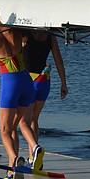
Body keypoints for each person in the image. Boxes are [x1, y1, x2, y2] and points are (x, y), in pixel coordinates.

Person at [0, 4, 43, 174]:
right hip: (26, 80)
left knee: (5, 130)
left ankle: (14, 160)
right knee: (20, 123)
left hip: (10, 82)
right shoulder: (13, 30)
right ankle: (34, 148)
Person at [22, 30, 68, 159]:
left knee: (23, 121)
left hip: (29, 80)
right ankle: (32, 157)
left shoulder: (25, 35)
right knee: (34, 119)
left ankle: (34, 149)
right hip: (44, 80)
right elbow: (58, 60)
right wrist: (63, 83)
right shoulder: (51, 37)